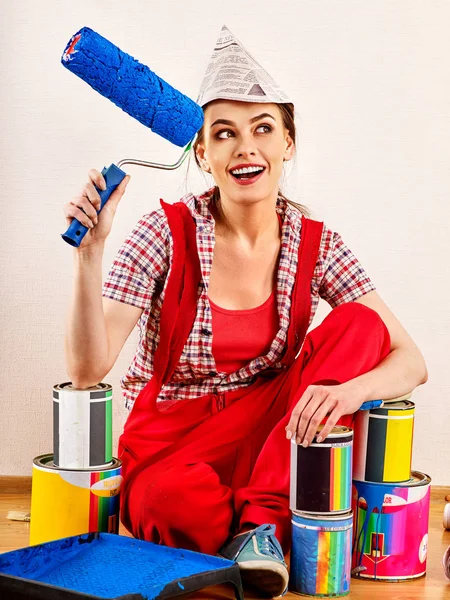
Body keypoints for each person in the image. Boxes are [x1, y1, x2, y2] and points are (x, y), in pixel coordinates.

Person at [63, 27, 428, 599]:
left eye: (263, 129)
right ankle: (272, 533)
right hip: (173, 446)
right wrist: (90, 254)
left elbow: (410, 359)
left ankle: (259, 525)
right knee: (166, 501)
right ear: (202, 153)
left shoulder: (317, 244)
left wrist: (350, 393)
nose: (246, 148)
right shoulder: (165, 232)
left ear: (288, 144)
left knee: (362, 324)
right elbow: (87, 371)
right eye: (225, 133)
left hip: (274, 438)